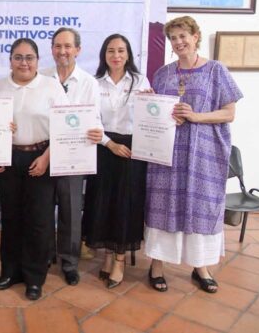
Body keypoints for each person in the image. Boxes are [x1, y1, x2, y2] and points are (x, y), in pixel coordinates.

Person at [145, 16, 242, 294]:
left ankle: (201, 267)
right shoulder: (163, 74)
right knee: (164, 204)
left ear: (195, 36)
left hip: (203, 154)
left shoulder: (215, 70)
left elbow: (229, 113)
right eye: (173, 38)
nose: (178, 42)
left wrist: (196, 116)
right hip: (167, 154)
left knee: (200, 206)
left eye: (183, 36)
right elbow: (159, 111)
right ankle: (157, 265)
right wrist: (150, 102)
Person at [0, 38, 68, 301]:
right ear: (10, 60)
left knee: (38, 220)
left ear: (37, 60)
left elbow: (64, 127)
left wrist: (46, 158)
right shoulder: (0, 86)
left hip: (42, 157)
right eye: (18, 57)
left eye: (29, 57)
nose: (24, 63)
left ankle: (35, 278)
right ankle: (10, 272)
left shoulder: (51, 86)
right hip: (9, 158)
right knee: (11, 218)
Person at [82, 34, 150, 289]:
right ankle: (108, 256)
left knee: (125, 206)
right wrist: (110, 144)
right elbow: (91, 119)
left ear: (128, 54)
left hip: (132, 150)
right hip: (103, 147)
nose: (116, 55)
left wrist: (152, 104)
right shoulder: (95, 82)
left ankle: (119, 261)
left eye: (121, 50)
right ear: (104, 55)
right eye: (111, 50)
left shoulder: (140, 81)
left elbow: (148, 118)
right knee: (103, 204)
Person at [40, 27, 103, 286]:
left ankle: (69, 262)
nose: (62, 51)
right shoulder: (41, 77)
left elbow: (95, 118)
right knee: (42, 208)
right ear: (52, 49)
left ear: (78, 49)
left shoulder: (89, 83)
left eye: (67, 46)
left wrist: (97, 131)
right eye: (58, 46)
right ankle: (45, 255)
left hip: (74, 155)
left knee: (70, 210)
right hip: (43, 153)